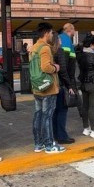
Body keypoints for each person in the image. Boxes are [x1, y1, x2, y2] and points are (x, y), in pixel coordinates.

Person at [31, 24, 64, 153]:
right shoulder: (45, 48)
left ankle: (38, 144)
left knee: (38, 115)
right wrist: (56, 67)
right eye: (51, 33)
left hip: (37, 86)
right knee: (47, 116)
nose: (52, 35)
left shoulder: (34, 47)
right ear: (46, 33)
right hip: (48, 87)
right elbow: (45, 67)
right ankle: (50, 145)